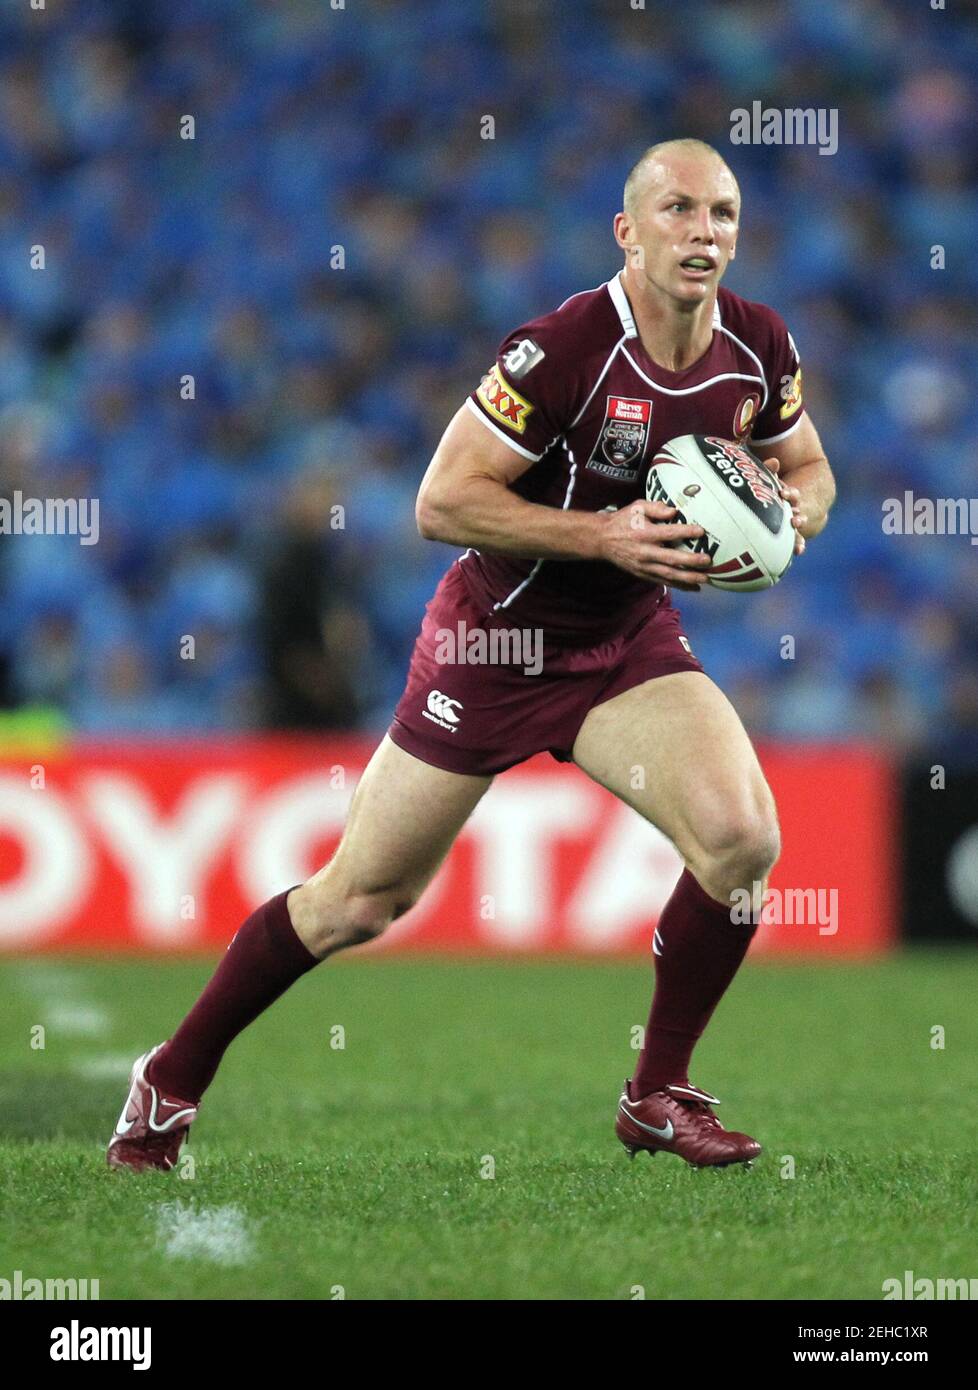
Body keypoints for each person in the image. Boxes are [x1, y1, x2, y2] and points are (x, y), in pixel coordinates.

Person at [107, 138, 835, 1173]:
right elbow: (441, 502)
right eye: (677, 210)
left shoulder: (759, 344)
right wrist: (606, 536)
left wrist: (791, 517)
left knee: (741, 841)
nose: (703, 233)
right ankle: (169, 1077)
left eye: (721, 213)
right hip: (493, 645)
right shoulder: (564, 347)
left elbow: (808, 467)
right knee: (360, 901)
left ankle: (656, 1090)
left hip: (624, 642)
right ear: (629, 232)